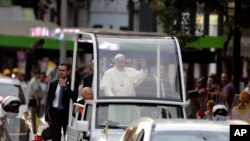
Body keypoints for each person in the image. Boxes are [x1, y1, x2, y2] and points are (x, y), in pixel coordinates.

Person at [45, 63, 78, 141]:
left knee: (68, 135)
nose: (61, 72)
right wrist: (47, 116)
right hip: (55, 112)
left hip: (66, 113)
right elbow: (49, 100)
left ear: (68, 72)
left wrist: (65, 87)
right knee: (55, 137)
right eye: (60, 70)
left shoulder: (73, 83)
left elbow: (74, 96)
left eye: (63, 70)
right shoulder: (53, 84)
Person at [28, 69, 42, 134]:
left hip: (34, 99)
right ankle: (34, 129)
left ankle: (34, 129)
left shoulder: (34, 80)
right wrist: (37, 101)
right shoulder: (34, 81)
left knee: (34, 115)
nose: (38, 75)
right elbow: (36, 91)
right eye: (37, 74)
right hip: (35, 100)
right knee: (35, 115)